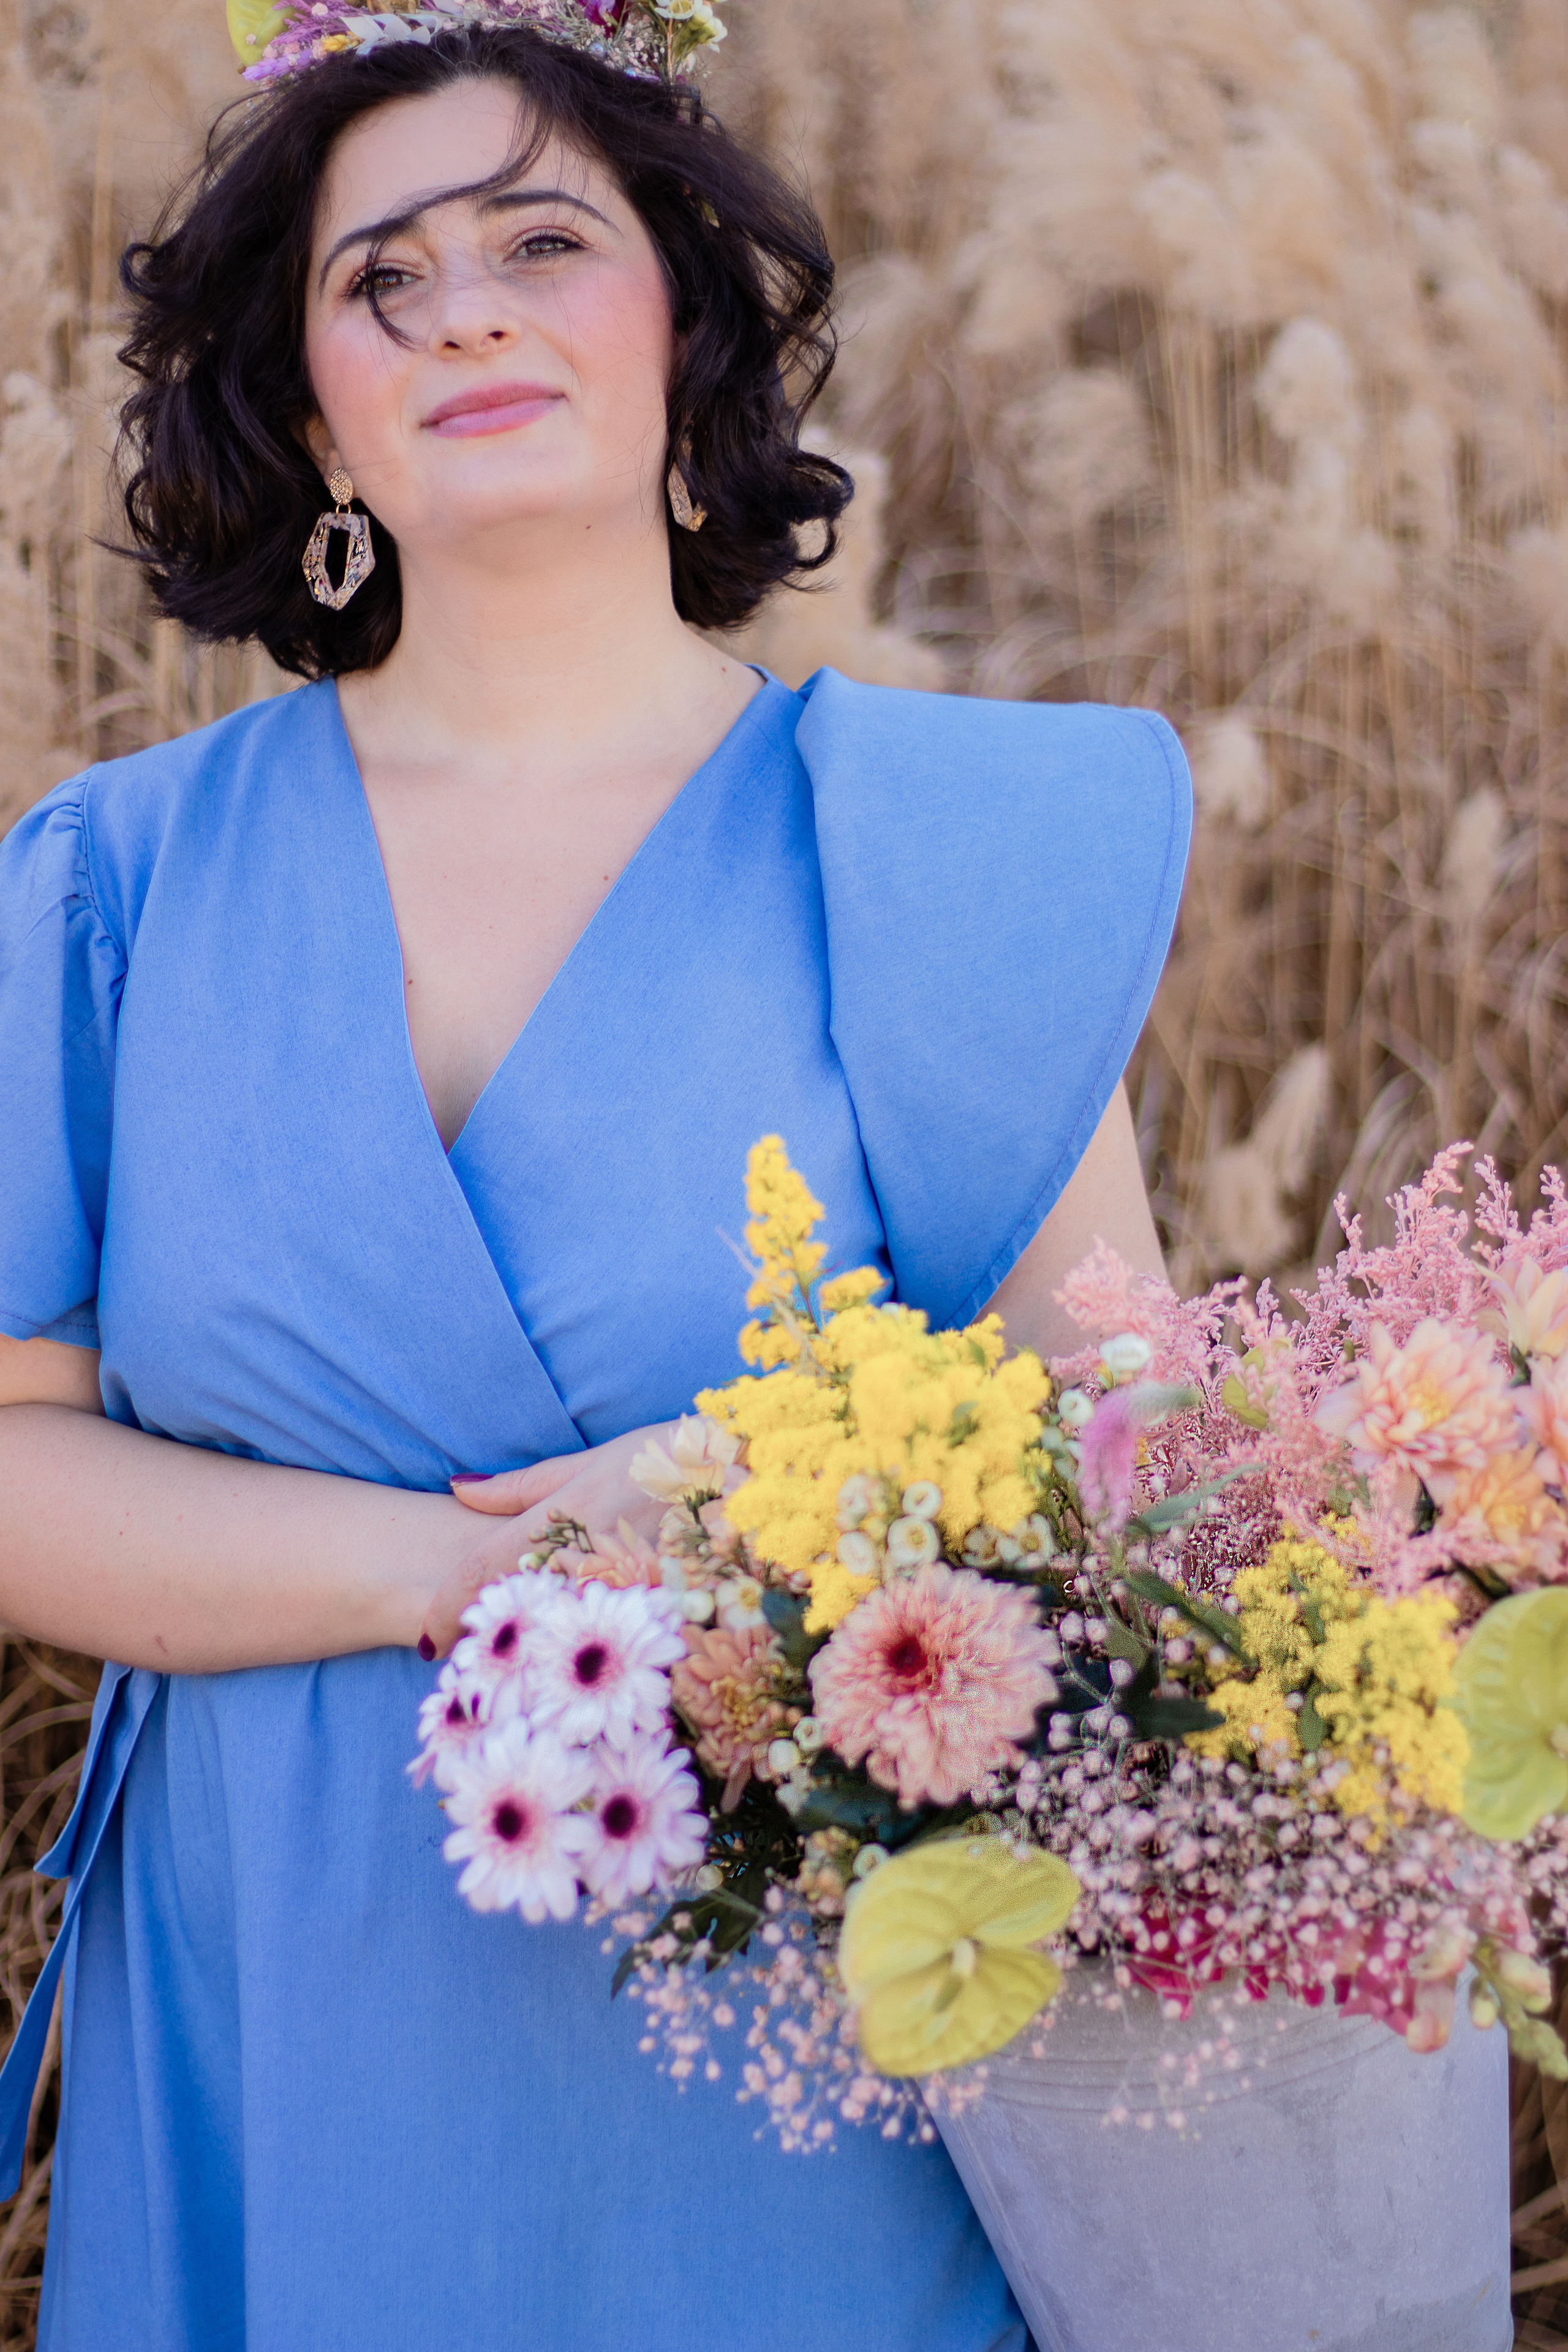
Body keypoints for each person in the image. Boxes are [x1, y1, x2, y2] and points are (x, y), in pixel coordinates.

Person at [0, 12, 1190, 2346]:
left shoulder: (954, 851)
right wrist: (487, 1570)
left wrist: (745, 1529)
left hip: (794, 2071)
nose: (467, 309)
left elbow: (1121, 1469)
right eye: (383, 278)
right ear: (312, 403)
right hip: (281, 2022)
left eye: (546, 237)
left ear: (691, 325)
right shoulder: (101, 889)